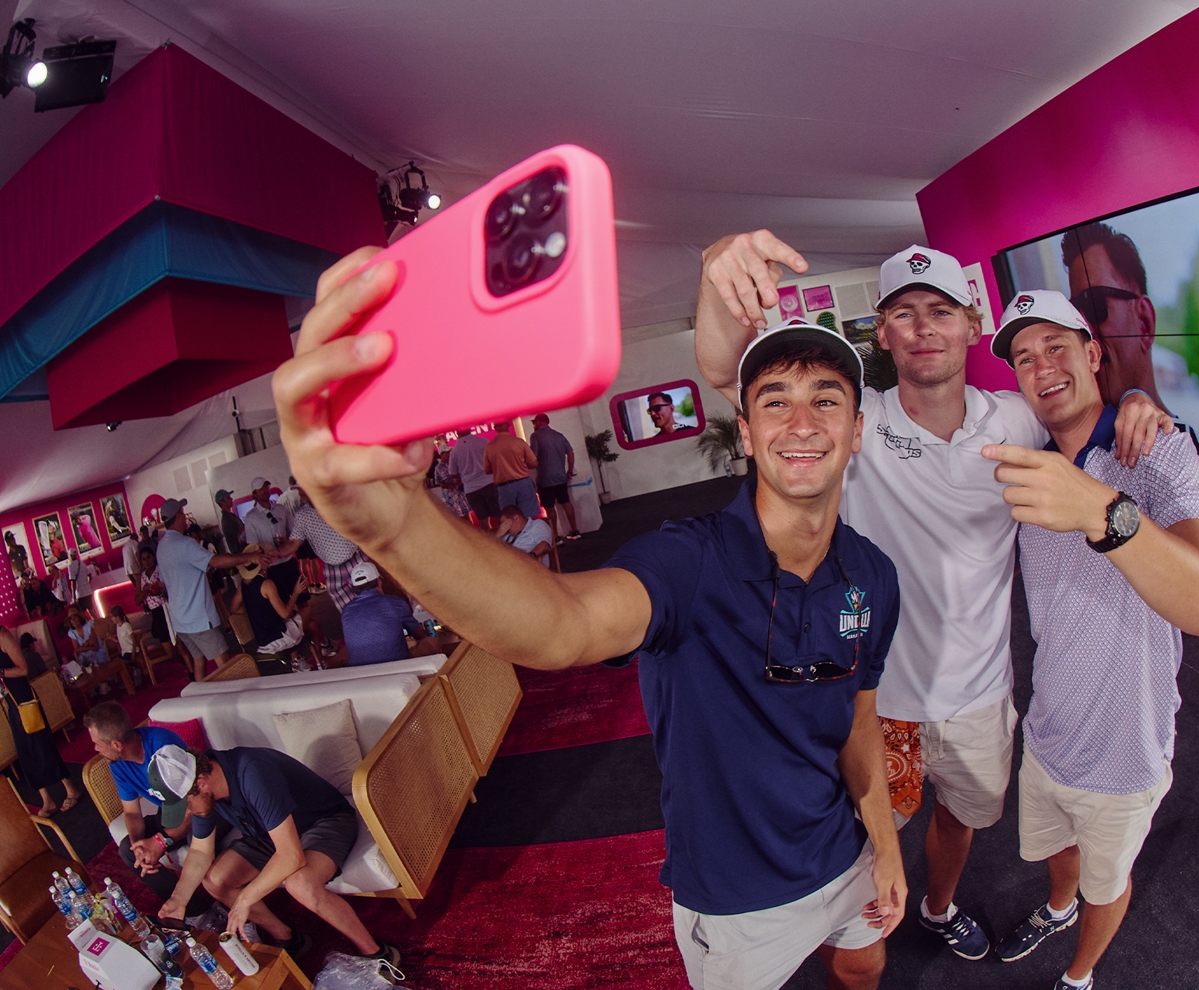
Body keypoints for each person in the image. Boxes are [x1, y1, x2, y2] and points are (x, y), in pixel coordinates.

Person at [271, 246, 908, 989]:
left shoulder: (872, 573)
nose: (802, 421)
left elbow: (858, 715)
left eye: (827, 399)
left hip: (845, 849)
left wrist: (885, 839)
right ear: (745, 431)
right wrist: (395, 526)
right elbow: (563, 623)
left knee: (865, 966)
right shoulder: (689, 562)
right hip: (740, 900)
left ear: (857, 429)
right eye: (775, 400)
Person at [694, 233, 1173, 962]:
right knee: (854, 841)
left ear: (971, 325)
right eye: (905, 313)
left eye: (941, 310)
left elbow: (1082, 409)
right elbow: (725, 368)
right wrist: (715, 275)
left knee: (960, 818)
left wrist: (1138, 398)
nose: (924, 327)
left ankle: (938, 906)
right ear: (882, 330)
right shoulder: (856, 420)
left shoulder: (1013, 418)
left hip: (980, 694)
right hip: (872, 700)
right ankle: (853, 946)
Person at [983, 289, 1199, 990]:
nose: (1042, 366)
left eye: (1057, 346)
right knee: (1058, 853)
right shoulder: (1025, 463)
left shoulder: (1156, 451)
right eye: (1024, 358)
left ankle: (1080, 975)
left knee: (1106, 883)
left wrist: (1104, 511)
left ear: (1092, 353)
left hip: (1127, 746)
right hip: (1050, 729)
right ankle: (1057, 908)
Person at [152, 744, 403, 975]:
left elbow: (290, 856)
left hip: (322, 822)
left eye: (185, 804)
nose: (186, 813)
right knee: (216, 880)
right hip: (270, 834)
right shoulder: (204, 791)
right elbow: (199, 851)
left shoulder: (252, 772)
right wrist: (178, 900)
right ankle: (290, 938)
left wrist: (245, 899)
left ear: (202, 782)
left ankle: (378, 954)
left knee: (300, 884)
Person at [1062, 223, 1199, 472]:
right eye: (1074, 313)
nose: (1084, 328)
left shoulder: (1198, 461)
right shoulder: (1069, 442)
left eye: (1094, 305)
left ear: (1144, 322)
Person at [83, 701, 218, 918]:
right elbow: (132, 812)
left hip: (201, 807)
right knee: (128, 849)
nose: (96, 749)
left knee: (199, 845)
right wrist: (140, 847)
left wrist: (159, 842)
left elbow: (195, 805)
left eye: (98, 744)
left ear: (116, 744)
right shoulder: (117, 764)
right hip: (170, 812)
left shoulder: (164, 746)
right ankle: (198, 913)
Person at [154, 498, 265, 680]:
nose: (185, 518)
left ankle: (203, 700)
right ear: (179, 516)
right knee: (225, 664)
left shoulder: (162, 547)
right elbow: (216, 562)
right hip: (198, 618)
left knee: (199, 661)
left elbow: (168, 581)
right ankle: (238, 700)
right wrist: (249, 557)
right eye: (183, 514)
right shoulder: (185, 544)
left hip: (180, 620)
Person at [0, 625, 79, 817]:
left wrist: (1, 673)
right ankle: (47, 800)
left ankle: (70, 789)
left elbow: (23, 669)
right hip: (11, 702)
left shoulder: (3, 636)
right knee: (26, 753)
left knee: (42, 745)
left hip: (25, 699)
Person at [339, 562, 439, 666]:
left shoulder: (346, 610)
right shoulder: (395, 603)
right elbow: (419, 634)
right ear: (379, 581)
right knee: (432, 643)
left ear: (354, 587)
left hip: (360, 672)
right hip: (396, 666)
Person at [282, 499, 367, 613]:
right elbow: (293, 543)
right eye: (299, 488)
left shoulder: (338, 500)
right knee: (348, 611)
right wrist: (277, 553)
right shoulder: (303, 514)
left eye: (302, 488)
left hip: (356, 560)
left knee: (372, 601)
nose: (300, 492)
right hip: (332, 568)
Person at [232, 548, 310, 657]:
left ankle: (298, 659)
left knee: (310, 624)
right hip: (277, 639)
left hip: (263, 640)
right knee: (307, 611)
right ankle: (307, 656)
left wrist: (254, 609)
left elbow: (234, 608)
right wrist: (296, 592)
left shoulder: (242, 585)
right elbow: (285, 613)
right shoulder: (266, 584)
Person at [238, 479, 301, 599]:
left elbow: (294, 531)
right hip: (272, 567)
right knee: (284, 604)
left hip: (288, 561)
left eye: (266, 487)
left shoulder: (280, 509)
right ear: (254, 494)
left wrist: (287, 541)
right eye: (260, 489)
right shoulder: (251, 517)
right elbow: (253, 546)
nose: (265, 490)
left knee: (302, 599)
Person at [529, 413, 581, 543]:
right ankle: (574, 530)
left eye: (534, 422)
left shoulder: (535, 436)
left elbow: (533, 456)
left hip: (545, 479)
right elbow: (571, 453)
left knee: (549, 508)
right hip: (560, 477)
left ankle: (556, 537)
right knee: (566, 502)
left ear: (539, 422)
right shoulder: (559, 435)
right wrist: (569, 470)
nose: (533, 425)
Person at [483, 421, 540, 520]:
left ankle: (516, 535)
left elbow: (487, 470)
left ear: (495, 428)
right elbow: (534, 463)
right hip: (523, 482)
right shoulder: (519, 442)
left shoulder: (490, 447)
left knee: (510, 519)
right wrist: (521, 466)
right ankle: (530, 534)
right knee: (528, 517)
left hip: (504, 487)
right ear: (508, 426)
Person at [428, 446, 472, 521]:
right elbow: (442, 484)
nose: (450, 454)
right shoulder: (439, 467)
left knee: (467, 515)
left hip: (462, 494)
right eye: (447, 453)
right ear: (441, 454)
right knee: (460, 519)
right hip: (452, 497)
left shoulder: (455, 463)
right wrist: (456, 484)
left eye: (450, 452)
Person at [215, 490, 244, 556]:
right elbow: (241, 538)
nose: (231, 498)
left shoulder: (230, 517)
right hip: (242, 555)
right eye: (228, 497)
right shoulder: (228, 520)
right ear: (222, 502)